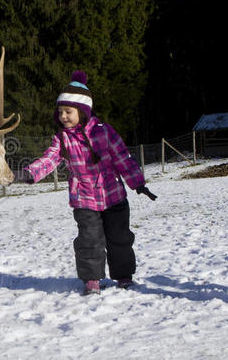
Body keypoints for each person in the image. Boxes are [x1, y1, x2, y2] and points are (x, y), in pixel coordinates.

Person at [17, 71, 157, 295]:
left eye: (68, 111)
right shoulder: (62, 138)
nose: (63, 116)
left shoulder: (104, 132)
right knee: (89, 240)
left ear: (82, 111)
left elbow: (123, 158)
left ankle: (123, 276)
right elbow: (50, 158)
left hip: (114, 196)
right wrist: (30, 173)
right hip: (84, 199)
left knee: (119, 238)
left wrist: (137, 183)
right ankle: (92, 279)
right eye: (60, 111)